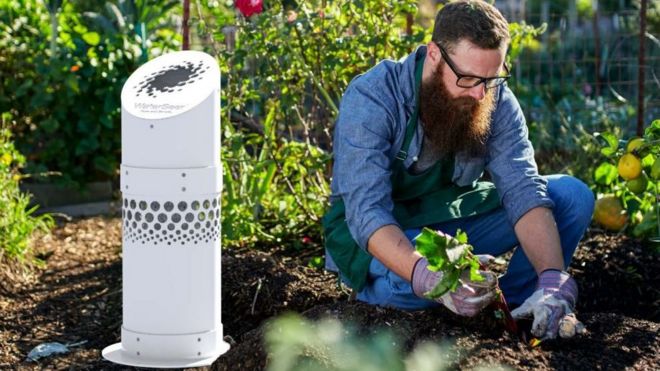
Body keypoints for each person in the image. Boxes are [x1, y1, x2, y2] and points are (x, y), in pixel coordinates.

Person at [322, 0, 594, 340]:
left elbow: (523, 188)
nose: (480, 93)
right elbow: (367, 212)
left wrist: (553, 279)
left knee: (571, 197)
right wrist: (425, 274)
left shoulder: (493, 97)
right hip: (384, 233)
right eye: (467, 78)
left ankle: (522, 307)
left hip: (450, 222)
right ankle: (379, 297)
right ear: (434, 54)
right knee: (414, 288)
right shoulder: (374, 97)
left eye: (491, 79)